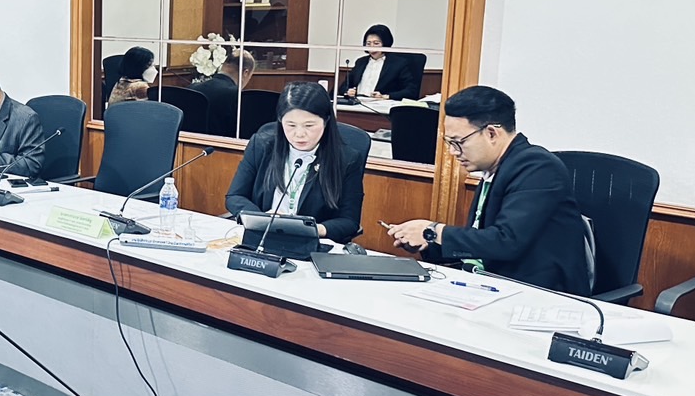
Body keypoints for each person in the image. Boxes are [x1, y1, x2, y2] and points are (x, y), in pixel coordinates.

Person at [386, 86, 591, 293]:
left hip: (540, 293)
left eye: (459, 142)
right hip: (491, 285)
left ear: (492, 133)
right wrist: (428, 244)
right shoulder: (496, 168)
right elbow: (481, 243)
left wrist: (433, 231)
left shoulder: (538, 167)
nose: (453, 152)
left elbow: (507, 241)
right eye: (449, 142)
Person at [224, 81, 368, 243]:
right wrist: (261, 220)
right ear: (280, 121)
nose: (299, 134)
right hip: (262, 236)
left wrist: (312, 229)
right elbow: (235, 196)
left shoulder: (347, 159)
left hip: (311, 243)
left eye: (309, 125)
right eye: (291, 125)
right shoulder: (262, 145)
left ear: (326, 120)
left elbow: (349, 221)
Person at [341, 25, 421, 100]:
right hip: (357, 103)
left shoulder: (398, 64)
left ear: (385, 44)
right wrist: (348, 91)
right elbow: (343, 87)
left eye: (376, 43)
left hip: (381, 105)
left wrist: (386, 96)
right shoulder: (360, 62)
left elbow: (411, 91)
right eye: (368, 44)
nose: (372, 47)